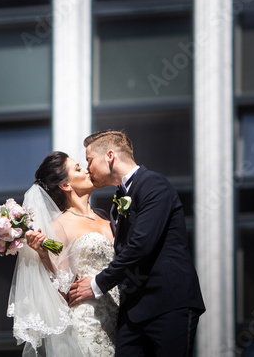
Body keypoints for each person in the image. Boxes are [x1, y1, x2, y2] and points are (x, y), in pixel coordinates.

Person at [67, 130, 205, 357]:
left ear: (110, 156)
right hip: (133, 311)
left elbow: (141, 245)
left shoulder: (154, 184)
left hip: (168, 305)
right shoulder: (119, 199)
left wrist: (97, 283)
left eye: (90, 160)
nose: (88, 168)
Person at [9, 151, 120, 357]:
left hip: (122, 321)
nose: (87, 170)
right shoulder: (60, 225)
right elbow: (64, 289)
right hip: (91, 324)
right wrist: (44, 255)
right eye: (78, 169)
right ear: (66, 185)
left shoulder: (108, 217)